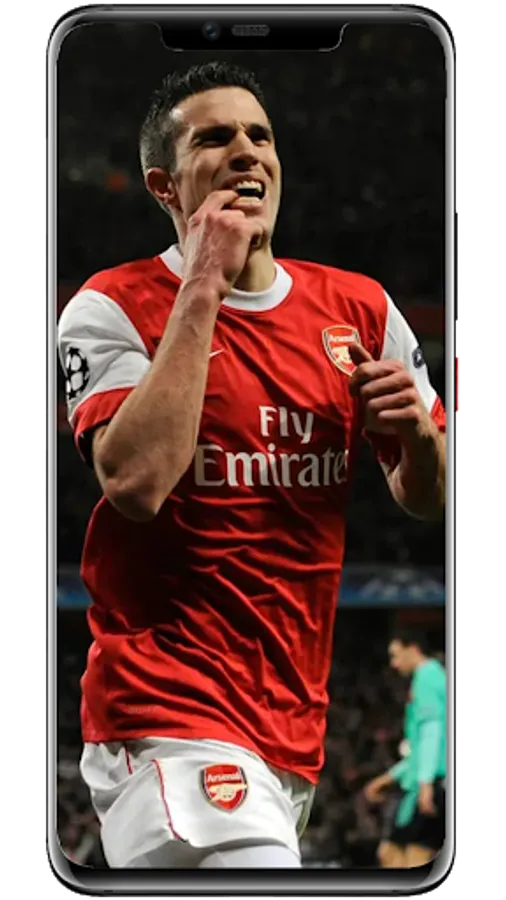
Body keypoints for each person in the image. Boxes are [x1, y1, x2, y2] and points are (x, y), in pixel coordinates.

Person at [57, 61, 446, 870]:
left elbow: (431, 499)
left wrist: (419, 438)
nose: (246, 151)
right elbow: (134, 483)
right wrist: (205, 278)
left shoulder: (361, 309)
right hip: (166, 710)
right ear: (165, 186)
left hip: (291, 729)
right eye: (215, 138)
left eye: (259, 135)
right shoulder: (110, 305)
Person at [364, 629, 446, 869]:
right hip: (425, 781)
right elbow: (421, 748)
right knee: (391, 854)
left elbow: (432, 732)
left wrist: (426, 784)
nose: (394, 663)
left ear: (414, 648)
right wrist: (388, 778)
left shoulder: (428, 677)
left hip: (435, 782)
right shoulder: (432, 678)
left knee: (414, 857)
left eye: (396, 655)